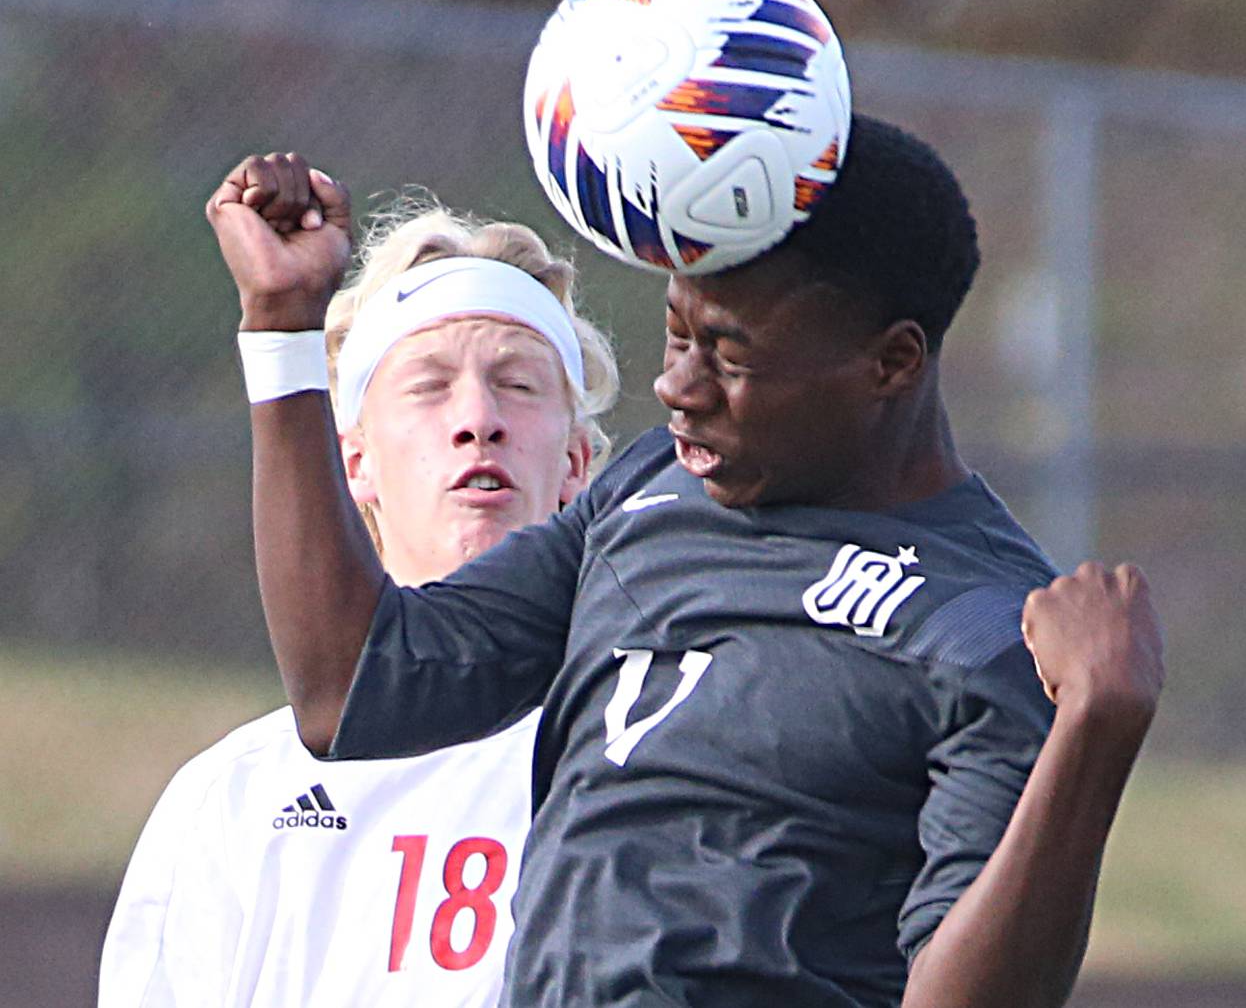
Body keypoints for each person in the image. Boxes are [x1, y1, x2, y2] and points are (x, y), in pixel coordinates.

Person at [212, 116, 1165, 1008]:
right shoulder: (651, 490)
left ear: (892, 364)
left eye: (729, 355)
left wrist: (1094, 732)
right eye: (676, 332)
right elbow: (354, 686)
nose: (675, 384)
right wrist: (283, 327)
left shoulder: (986, 626)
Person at [98, 177, 621, 1007]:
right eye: (429, 383)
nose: (477, 417)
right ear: (353, 463)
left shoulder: (642, 752)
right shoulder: (236, 798)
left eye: (518, 385)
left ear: (577, 467)